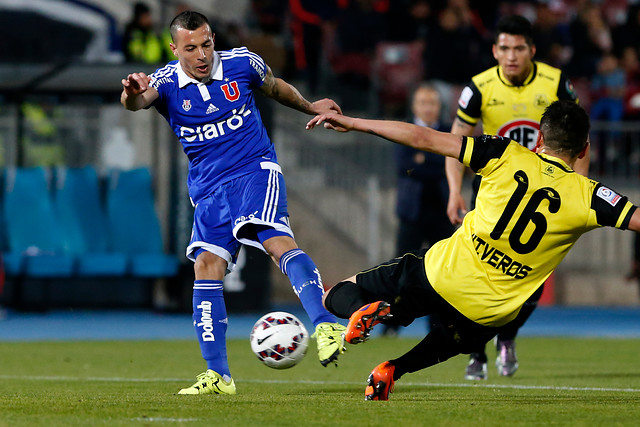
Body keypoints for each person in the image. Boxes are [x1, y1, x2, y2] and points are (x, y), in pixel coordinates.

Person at [305, 100, 640, 401]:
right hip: (489, 310)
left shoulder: (504, 153)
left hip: (442, 275)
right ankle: (392, 370)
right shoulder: (591, 197)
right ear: (584, 150)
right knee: (455, 339)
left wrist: (354, 121)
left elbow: (423, 137)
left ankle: (365, 310)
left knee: (334, 293)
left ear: (539, 139)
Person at [121, 10, 346, 396]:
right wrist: (131, 91)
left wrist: (311, 106)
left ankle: (326, 322)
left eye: (206, 44)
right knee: (206, 267)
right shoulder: (165, 82)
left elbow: (276, 88)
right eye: (190, 48)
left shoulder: (243, 63)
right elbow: (137, 102)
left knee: (274, 240)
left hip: (254, 170)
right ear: (175, 49)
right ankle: (218, 375)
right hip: (209, 189)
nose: (202, 54)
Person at [444, 15, 586, 381]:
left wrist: (580, 191)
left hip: (543, 194)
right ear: (494, 50)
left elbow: (578, 134)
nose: (511, 56)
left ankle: (506, 336)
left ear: (532, 50)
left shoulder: (555, 83)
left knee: (534, 276)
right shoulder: (479, 87)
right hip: (492, 192)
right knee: (476, 278)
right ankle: (476, 352)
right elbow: (456, 142)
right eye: (504, 48)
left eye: (519, 48)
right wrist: (453, 191)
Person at [382, 83, 454, 337]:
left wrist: (422, 159)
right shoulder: (403, 130)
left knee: (442, 273)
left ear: (439, 107)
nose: (428, 107)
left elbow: (454, 164)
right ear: (414, 106)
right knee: (402, 270)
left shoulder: (449, 131)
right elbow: (405, 167)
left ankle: (439, 326)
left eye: (432, 103)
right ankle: (391, 324)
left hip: (443, 212)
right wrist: (436, 160)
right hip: (412, 213)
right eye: (423, 102)